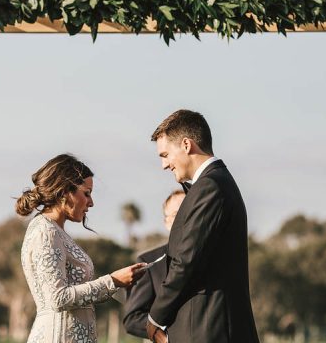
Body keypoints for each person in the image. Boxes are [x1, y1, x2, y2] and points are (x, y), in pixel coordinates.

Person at [146, 109, 260, 343]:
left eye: (165, 154)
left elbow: (187, 260)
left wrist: (156, 317)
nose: (164, 165)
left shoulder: (211, 188)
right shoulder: (212, 185)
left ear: (186, 145)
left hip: (210, 329)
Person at [16, 154, 146, 343]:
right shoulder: (46, 232)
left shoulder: (56, 231)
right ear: (64, 191)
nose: (91, 202)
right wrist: (113, 281)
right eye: (86, 193)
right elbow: (57, 298)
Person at [123, 189, 185, 340]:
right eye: (177, 214)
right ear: (166, 223)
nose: (185, 218)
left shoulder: (215, 255)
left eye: (189, 211)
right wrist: (165, 336)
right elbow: (133, 318)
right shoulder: (149, 262)